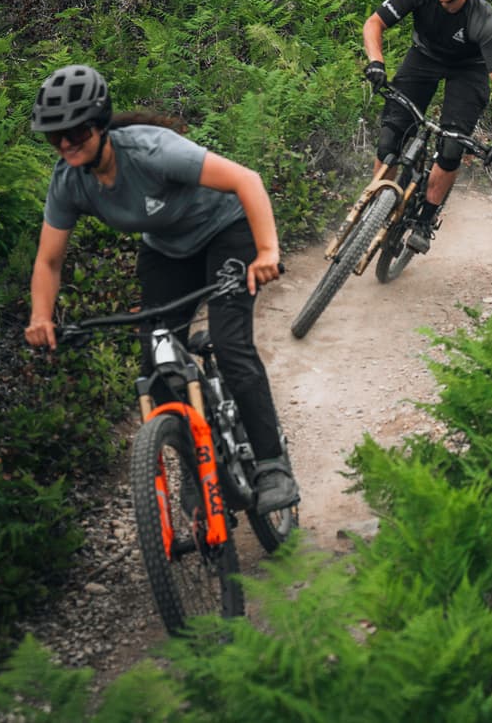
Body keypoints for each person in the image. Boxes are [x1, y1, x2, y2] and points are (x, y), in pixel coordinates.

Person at [23, 65, 298, 513]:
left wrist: (267, 251)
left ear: (98, 123)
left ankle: (271, 464)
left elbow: (246, 180)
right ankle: (199, 466)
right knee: (157, 361)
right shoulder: (69, 181)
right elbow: (48, 260)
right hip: (168, 249)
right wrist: (40, 317)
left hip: (226, 231)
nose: (66, 144)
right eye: (55, 137)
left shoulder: (151, 151)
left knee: (230, 345)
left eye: (73, 131)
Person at [363, 0, 492, 253]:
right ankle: (375, 205)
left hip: (467, 70)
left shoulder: (481, 17)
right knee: (390, 136)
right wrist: (376, 62)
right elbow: (374, 24)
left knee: (451, 146)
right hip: (424, 58)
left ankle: (425, 219)